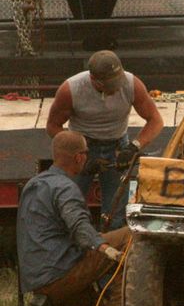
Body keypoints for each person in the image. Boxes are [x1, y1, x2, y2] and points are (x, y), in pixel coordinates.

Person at [17, 131, 130, 306]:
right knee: (130, 235)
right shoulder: (65, 188)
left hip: (37, 281)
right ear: (79, 157)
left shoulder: (34, 184)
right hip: (60, 275)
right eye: (87, 153)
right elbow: (78, 225)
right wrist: (103, 247)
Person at [46, 50, 164, 230]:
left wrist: (133, 147)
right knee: (70, 205)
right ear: (94, 79)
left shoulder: (132, 85)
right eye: (110, 85)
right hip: (81, 147)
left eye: (118, 82)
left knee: (116, 212)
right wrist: (79, 156)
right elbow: (53, 126)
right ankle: (74, 245)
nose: (116, 88)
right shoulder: (71, 90)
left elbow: (156, 120)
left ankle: (109, 247)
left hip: (117, 145)